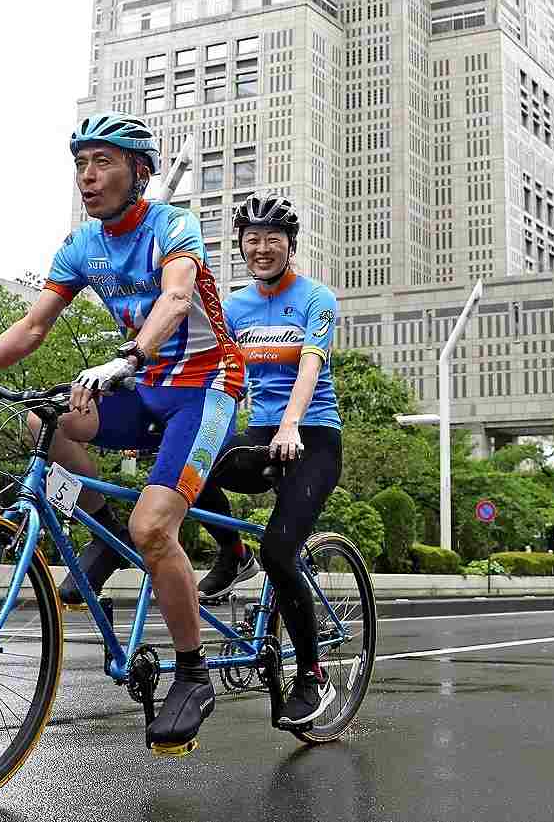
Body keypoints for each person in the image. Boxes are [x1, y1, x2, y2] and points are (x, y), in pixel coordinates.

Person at [0, 111, 245, 750]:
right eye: (81, 164)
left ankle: (192, 672)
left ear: (141, 172)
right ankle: (100, 533)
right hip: (144, 387)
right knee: (43, 421)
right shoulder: (82, 245)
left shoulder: (172, 225)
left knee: (154, 527)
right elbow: (33, 326)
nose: (87, 175)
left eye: (103, 162)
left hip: (206, 387)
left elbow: (177, 299)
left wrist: (127, 359)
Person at [191, 192, 343, 727]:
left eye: (272, 239)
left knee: (281, 552)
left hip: (313, 435)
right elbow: (214, 375)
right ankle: (233, 554)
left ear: (290, 245)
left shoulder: (316, 298)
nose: (261, 248)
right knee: (185, 469)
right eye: (251, 240)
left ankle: (311, 674)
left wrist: (291, 424)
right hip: (260, 432)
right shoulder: (233, 308)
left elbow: (309, 367)